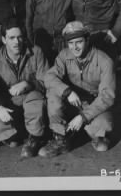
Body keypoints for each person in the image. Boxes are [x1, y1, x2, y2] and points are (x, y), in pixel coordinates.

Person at [39, 21, 115, 158]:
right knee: (53, 94)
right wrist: (67, 92)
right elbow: (49, 77)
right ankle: (61, 139)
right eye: (70, 43)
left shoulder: (105, 61)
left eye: (79, 42)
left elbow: (107, 96)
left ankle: (87, 132)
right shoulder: (64, 55)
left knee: (103, 133)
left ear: (87, 39)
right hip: (72, 102)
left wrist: (83, 116)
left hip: (93, 104)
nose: (75, 47)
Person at [0, 18, 49, 158]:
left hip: (33, 101)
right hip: (12, 105)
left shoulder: (36, 52)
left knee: (34, 100)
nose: (17, 42)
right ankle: (23, 133)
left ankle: (34, 137)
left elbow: (47, 82)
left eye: (20, 37)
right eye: (12, 38)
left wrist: (29, 84)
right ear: (4, 39)